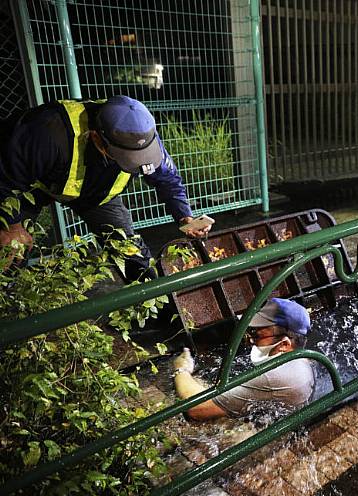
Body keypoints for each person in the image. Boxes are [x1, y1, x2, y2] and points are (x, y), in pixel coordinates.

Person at [0, 95, 212, 280]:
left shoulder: (142, 135)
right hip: (32, 187)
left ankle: (156, 306)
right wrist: (11, 224)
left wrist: (186, 217)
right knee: (11, 248)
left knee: (132, 254)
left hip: (98, 195)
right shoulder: (46, 132)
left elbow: (168, 180)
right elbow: (5, 176)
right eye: (128, 159)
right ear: (97, 139)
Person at [173, 298, 315, 420]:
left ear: (284, 344)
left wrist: (182, 369)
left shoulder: (273, 376)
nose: (251, 341)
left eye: (258, 336)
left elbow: (197, 409)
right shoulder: (305, 359)